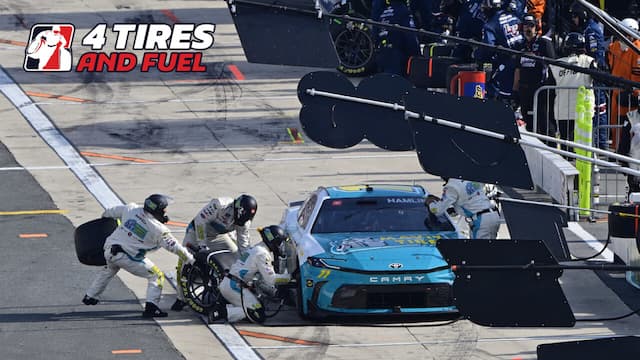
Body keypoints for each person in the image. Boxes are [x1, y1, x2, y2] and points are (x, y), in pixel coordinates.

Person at [83, 194, 195, 318]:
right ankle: (151, 308)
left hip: (109, 249)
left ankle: (90, 296)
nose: (166, 211)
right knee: (156, 275)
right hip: (126, 256)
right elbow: (175, 247)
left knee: (110, 269)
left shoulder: (131, 209)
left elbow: (107, 213)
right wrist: (190, 259)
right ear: (158, 210)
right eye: (164, 209)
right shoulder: (158, 229)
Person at [171, 194, 258, 311]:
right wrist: (202, 245)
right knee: (183, 263)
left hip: (218, 236)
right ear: (237, 209)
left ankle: (231, 289)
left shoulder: (245, 221)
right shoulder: (219, 204)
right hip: (197, 232)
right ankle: (180, 298)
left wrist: (248, 263)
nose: (240, 222)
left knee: (236, 256)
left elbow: (244, 245)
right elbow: (200, 221)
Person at [214, 225, 292, 324]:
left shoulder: (258, 248)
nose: (280, 245)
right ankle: (221, 312)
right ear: (274, 242)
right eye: (280, 242)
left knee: (259, 306)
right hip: (233, 286)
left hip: (231, 283)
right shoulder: (262, 254)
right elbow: (271, 279)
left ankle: (228, 307)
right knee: (257, 314)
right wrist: (290, 278)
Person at [569, 1, 608, 149]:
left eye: (575, 16)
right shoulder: (586, 29)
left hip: (595, 74)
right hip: (590, 73)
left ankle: (601, 144)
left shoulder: (591, 30)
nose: (573, 20)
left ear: (582, 15)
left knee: (599, 108)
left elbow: (595, 55)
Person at [548, 32, 596, 147]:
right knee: (584, 144)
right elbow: (601, 78)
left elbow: (548, 86)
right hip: (583, 111)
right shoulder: (589, 61)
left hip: (562, 110)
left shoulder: (556, 65)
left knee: (565, 143)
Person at [513, 13, 557, 137]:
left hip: (542, 90)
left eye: (531, 26)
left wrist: (537, 58)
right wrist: (515, 92)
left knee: (545, 123)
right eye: (526, 26)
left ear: (536, 27)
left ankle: (552, 150)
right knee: (528, 123)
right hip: (525, 90)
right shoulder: (519, 46)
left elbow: (553, 65)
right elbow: (517, 70)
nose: (528, 29)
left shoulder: (544, 43)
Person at [473, 0, 524, 103]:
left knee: (492, 82)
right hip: (526, 60)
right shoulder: (515, 17)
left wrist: (476, 53)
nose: (483, 8)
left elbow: (487, 49)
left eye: (485, 6)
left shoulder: (491, 24)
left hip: (509, 64)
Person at [426, 178, 500, 239]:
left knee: (479, 251)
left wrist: (430, 203)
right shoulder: (469, 177)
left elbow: (437, 210)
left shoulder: (451, 186)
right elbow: (469, 200)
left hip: (481, 221)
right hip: (493, 216)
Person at [608, 18, 640, 149]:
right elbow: (611, 65)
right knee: (615, 122)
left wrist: (634, 92)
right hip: (617, 91)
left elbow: (637, 75)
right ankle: (616, 149)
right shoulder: (614, 47)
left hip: (631, 93)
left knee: (628, 126)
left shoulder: (637, 49)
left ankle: (626, 152)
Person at [373, 0, 421, 75]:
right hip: (397, 56)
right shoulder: (404, 11)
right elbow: (410, 37)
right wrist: (417, 55)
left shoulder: (383, 12)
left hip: (382, 54)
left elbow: (375, 34)